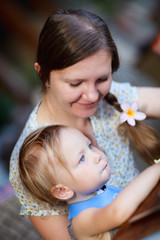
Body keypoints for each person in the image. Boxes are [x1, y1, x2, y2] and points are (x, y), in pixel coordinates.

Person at [9, 9, 160, 240]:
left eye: (102, 79)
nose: (91, 95)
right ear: (42, 73)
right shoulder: (34, 159)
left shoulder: (110, 98)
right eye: (75, 83)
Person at [19, 124, 160, 240]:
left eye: (90, 146)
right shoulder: (81, 221)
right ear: (63, 190)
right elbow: (119, 213)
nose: (96, 155)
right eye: (81, 158)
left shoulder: (104, 190)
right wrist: (155, 170)